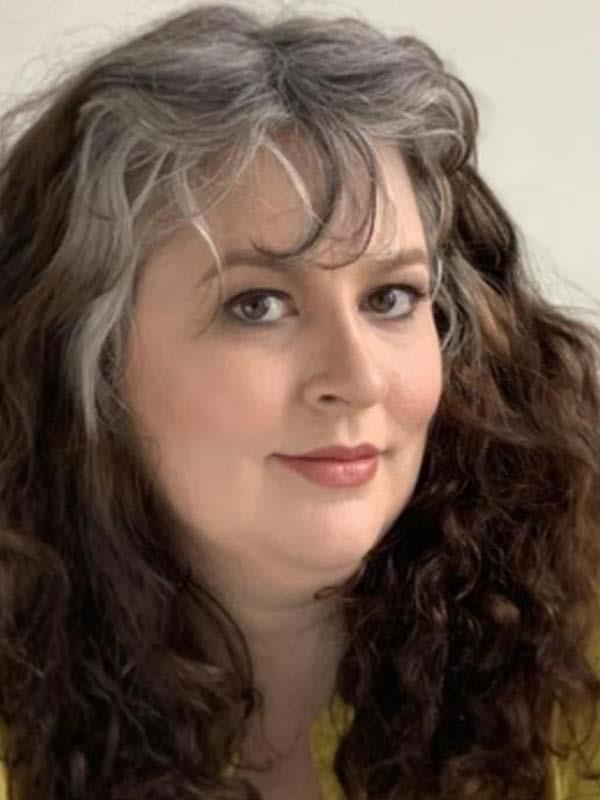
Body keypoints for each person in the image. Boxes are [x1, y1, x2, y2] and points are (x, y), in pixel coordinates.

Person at [1, 3, 599, 799]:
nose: (358, 378)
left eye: (391, 298)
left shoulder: (579, 623)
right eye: (257, 305)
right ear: (87, 360)